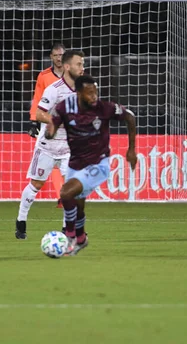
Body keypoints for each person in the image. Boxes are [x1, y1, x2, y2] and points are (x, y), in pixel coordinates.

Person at [46, 75, 137, 255]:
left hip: (98, 164)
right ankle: (81, 238)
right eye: (89, 93)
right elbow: (52, 128)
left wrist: (132, 149)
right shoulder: (64, 107)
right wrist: (48, 133)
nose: (94, 96)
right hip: (76, 163)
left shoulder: (105, 108)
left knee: (65, 192)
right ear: (79, 93)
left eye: (95, 92)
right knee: (77, 205)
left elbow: (130, 117)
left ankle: (69, 236)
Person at [15, 49, 85, 239]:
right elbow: (39, 114)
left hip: (69, 148)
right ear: (68, 66)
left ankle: (66, 229)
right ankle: (21, 222)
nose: (82, 68)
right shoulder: (54, 89)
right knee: (36, 184)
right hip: (47, 146)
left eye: (83, 64)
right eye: (79, 64)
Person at [27, 43, 67, 207]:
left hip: (68, 125)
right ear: (51, 57)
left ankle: (65, 195)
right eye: (56, 55)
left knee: (68, 162)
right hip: (48, 123)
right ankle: (61, 196)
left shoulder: (73, 75)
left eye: (61, 55)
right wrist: (33, 121)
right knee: (51, 162)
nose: (59, 58)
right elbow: (37, 98)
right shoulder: (43, 76)